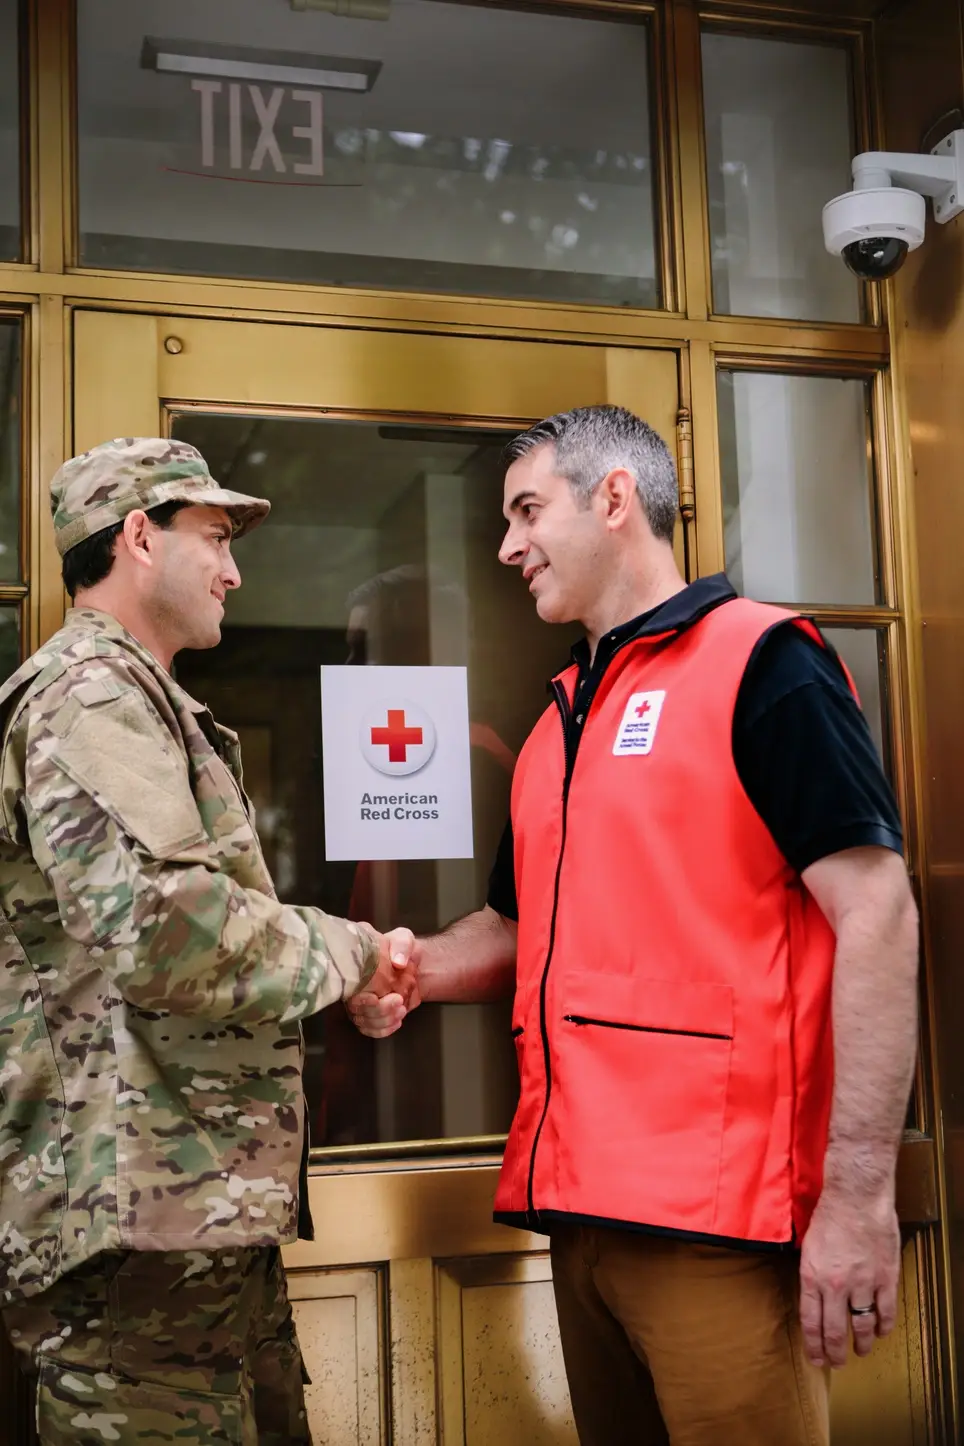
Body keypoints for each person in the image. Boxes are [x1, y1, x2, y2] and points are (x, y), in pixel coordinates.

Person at [348, 405, 920, 1446]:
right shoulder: (555, 720)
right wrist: (405, 967)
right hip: (581, 1220)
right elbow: (519, 929)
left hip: (719, 1227)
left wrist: (857, 1198)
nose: (507, 546)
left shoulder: (764, 662)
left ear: (613, 499)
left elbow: (876, 911)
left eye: (527, 510)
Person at [0, 438, 416, 1446]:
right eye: (216, 537)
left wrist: (331, 972)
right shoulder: (90, 696)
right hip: (129, 1236)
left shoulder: (137, 698)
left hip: (179, 1215)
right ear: (138, 537)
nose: (233, 570)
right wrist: (354, 954)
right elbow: (167, 932)